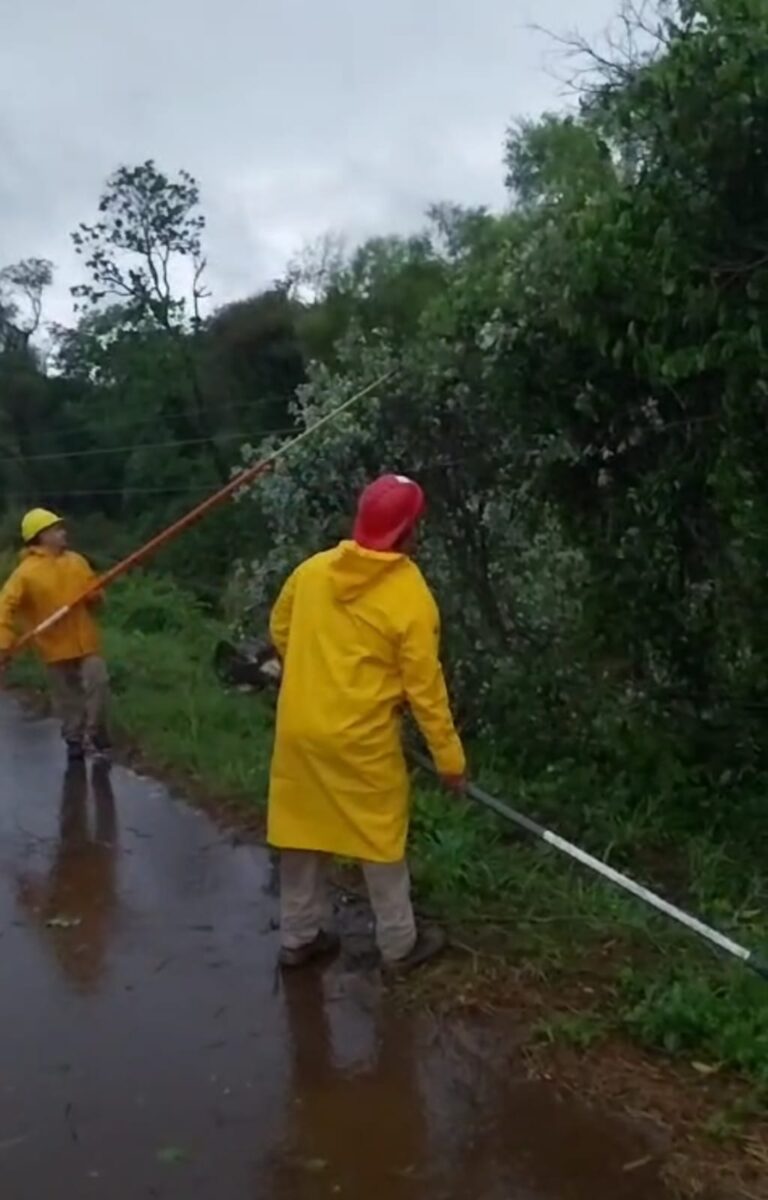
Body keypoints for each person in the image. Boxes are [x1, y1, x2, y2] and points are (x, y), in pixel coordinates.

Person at [268, 474, 466, 972]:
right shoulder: (410, 596)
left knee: (301, 832)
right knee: (378, 837)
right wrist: (450, 760)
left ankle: (299, 936)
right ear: (407, 530)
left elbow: (279, 628)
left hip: (300, 730)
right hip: (361, 742)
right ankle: (400, 944)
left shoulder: (312, 570)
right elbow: (425, 689)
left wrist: (315, 674)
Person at [0, 508, 111, 764]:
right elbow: (5, 608)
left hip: (86, 642)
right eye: (56, 530)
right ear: (41, 537)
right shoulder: (25, 573)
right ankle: (74, 739)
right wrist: (4, 644)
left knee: (99, 683)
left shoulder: (77, 561)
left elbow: (95, 596)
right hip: (54, 648)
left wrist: (96, 596)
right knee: (68, 700)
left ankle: (95, 734)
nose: (63, 533)